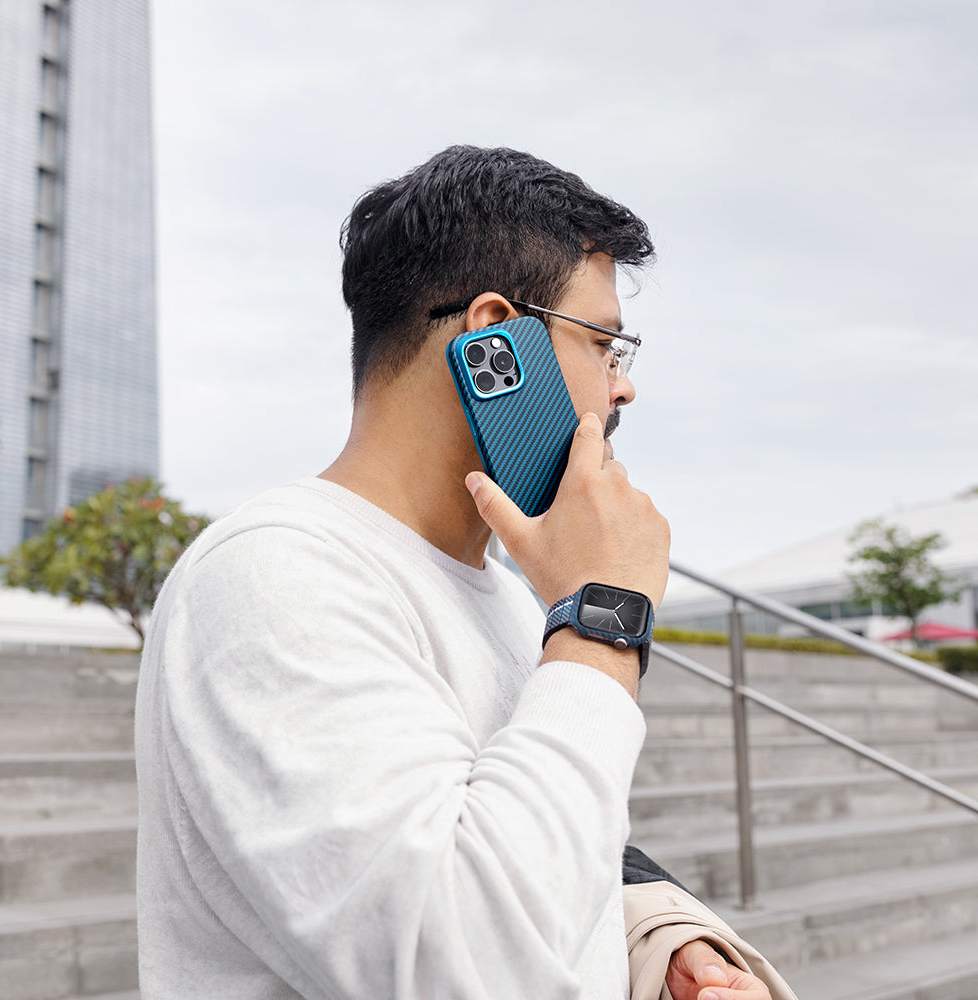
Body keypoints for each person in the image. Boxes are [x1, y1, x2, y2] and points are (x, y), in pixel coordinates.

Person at [136, 146, 781, 999]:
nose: (622, 390)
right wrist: (604, 619)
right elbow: (461, 960)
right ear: (494, 341)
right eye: (605, 344)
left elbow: (534, 845)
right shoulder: (272, 574)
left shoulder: (515, 601)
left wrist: (656, 943)